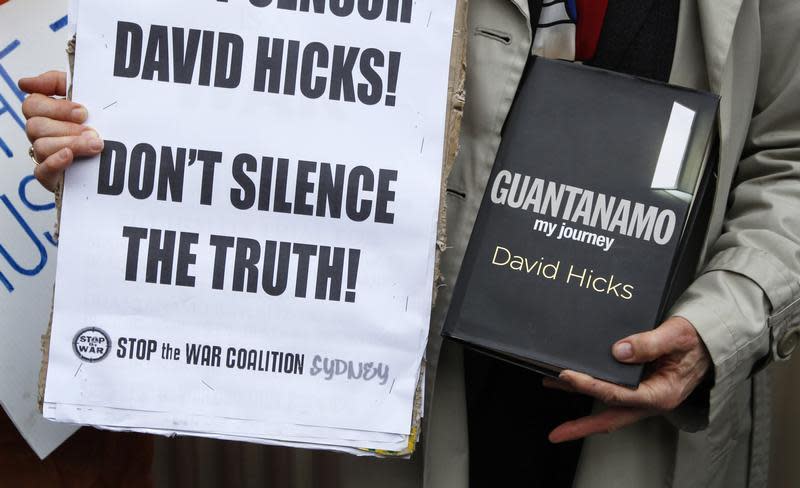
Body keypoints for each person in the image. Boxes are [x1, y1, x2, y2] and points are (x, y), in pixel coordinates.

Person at [19, 0, 800, 487]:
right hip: (412, 413)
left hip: (642, 423)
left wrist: (723, 323)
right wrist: (118, 153)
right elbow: (247, 94)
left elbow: (789, 155)